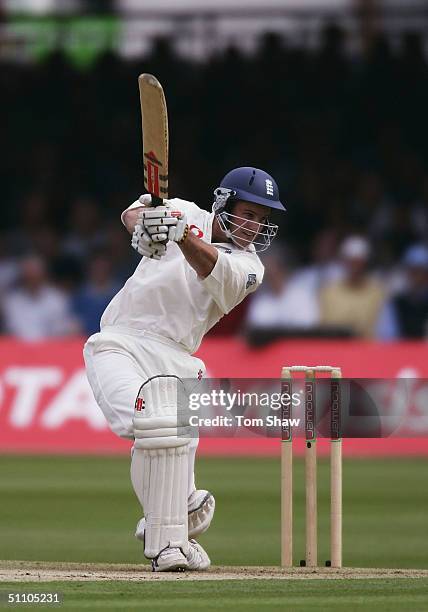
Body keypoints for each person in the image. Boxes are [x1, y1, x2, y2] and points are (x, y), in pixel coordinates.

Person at [83, 167, 286, 571]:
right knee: (151, 424)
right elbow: (131, 214)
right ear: (225, 204)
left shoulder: (250, 267)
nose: (254, 226)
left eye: (263, 219)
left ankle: (168, 538)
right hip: (120, 341)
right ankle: (179, 516)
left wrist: (179, 235)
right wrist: (150, 225)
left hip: (179, 359)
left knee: (162, 432)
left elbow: (210, 265)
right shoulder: (182, 210)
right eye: (248, 213)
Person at [319, 236, 385, 338]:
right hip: (335, 349)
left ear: (365, 262)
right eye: (350, 261)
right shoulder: (329, 292)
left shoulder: (378, 293)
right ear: (343, 262)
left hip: (368, 350)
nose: (354, 266)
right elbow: (324, 328)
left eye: (358, 261)